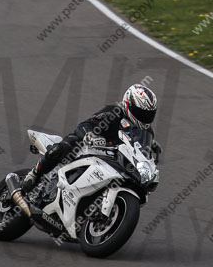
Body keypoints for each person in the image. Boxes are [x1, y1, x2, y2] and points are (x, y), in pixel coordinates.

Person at [22, 83, 161, 193]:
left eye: (148, 114)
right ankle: (34, 175)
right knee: (66, 146)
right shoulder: (114, 112)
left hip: (115, 162)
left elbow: (141, 152)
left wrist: (151, 154)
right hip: (90, 147)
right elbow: (85, 125)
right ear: (128, 104)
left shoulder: (146, 131)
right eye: (140, 112)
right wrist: (90, 136)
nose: (144, 117)